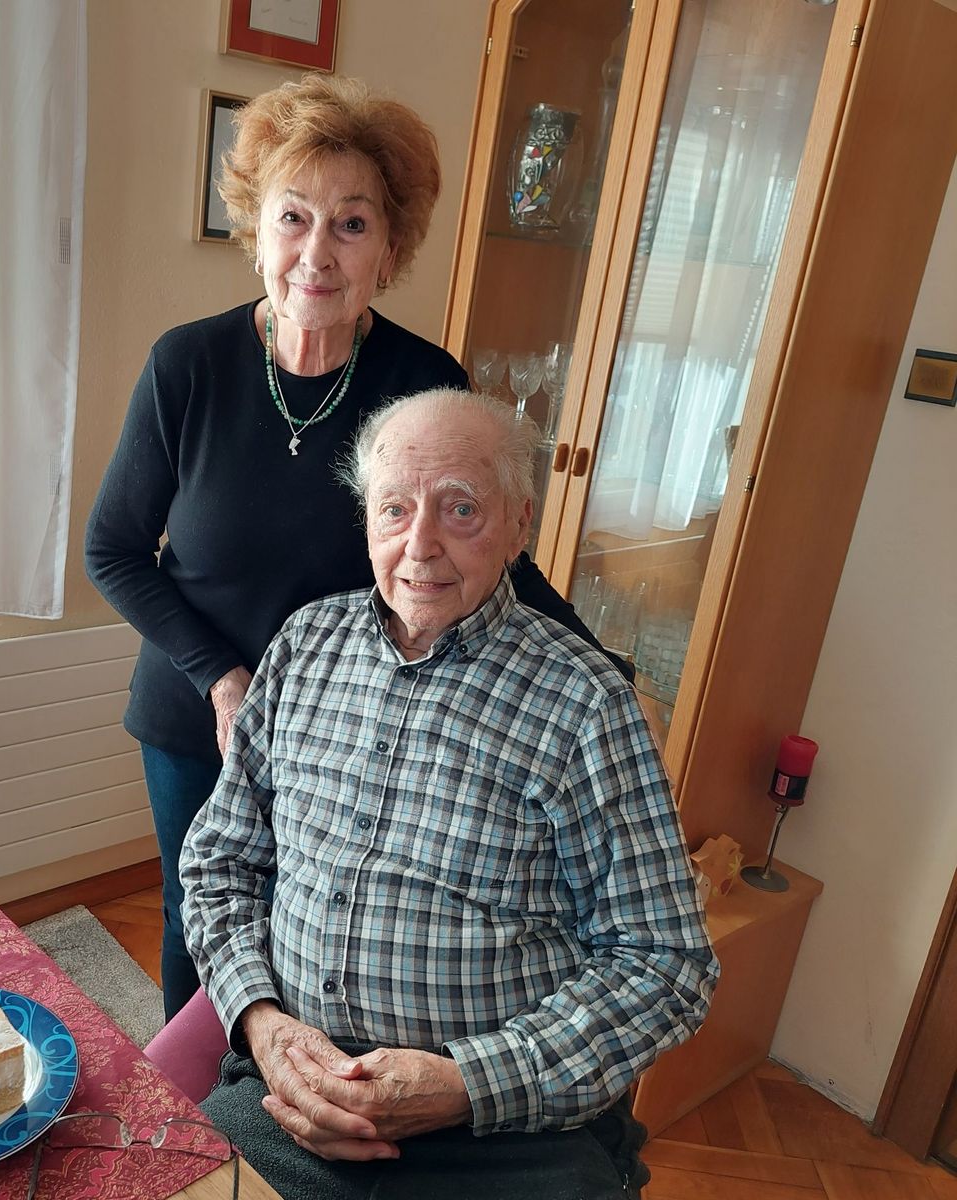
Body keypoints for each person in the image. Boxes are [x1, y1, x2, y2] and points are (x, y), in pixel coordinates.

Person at [84, 74, 622, 1022]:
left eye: (352, 224)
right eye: (294, 217)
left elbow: (486, 546)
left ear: (391, 248)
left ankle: (295, 1104)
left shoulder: (425, 380)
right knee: (198, 916)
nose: (316, 254)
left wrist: (599, 667)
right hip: (195, 713)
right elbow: (115, 549)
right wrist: (222, 678)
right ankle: (199, 1125)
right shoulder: (188, 365)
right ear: (257, 228)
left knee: (324, 927)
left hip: (353, 728)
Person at [180, 389, 719, 1200]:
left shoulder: (585, 704)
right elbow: (218, 862)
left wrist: (467, 1082)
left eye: (459, 509)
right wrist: (263, 1023)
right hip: (291, 1090)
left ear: (518, 524)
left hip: (499, 1134)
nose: (419, 546)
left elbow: (667, 964)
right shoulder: (302, 647)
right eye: (394, 509)